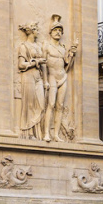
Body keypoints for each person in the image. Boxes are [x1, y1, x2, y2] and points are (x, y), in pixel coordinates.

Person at [42, 14, 77, 143]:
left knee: (60, 106)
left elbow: (67, 65)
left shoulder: (62, 49)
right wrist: (45, 80)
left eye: (60, 31)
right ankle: (46, 133)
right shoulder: (46, 46)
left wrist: (72, 54)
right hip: (51, 76)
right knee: (50, 104)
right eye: (56, 30)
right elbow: (44, 64)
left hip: (62, 77)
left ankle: (56, 134)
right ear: (51, 32)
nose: (58, 33)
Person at [17, 23, 47, 140]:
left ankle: (38, 132)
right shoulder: (24, 46)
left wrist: (45, 81)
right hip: (28, 76)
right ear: (32, 31)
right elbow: (20, 65)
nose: (38, 32)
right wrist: (35, 62)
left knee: (41, 104)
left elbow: (43, 63)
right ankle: (29, 133)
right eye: (37, 30)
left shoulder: (38, 46)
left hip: (38, 76)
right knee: (29, 104)